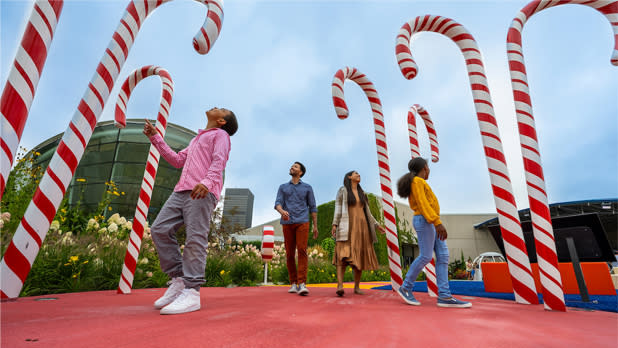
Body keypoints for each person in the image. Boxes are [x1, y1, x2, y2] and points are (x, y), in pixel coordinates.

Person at [143, 107, 238, 315]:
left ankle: (192, 291)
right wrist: (155, 137)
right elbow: (177, 160)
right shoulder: (196, 140)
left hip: (203, 190)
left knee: (195, 238)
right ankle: (179, 279)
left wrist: (207, 181)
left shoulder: (220, 135)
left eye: (221, 109)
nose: (215, 107)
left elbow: (219, 160)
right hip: (181, 191)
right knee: (159, 229)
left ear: (222, 121)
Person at [395, 157, 471, 308]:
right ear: (424, 168)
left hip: (430, 221)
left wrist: (436, 222)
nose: (429, 170)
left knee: (443, 256)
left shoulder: (420, 182)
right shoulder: (417, 181)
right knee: (426, 256)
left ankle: (444, 296)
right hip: (426, 221)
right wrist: (437, 222)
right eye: (428, 167)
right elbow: (423, 204)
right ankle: (405, 287)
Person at [331, 171, 385, 297]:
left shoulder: (362, 193)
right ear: (349, 177)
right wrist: (335, 224)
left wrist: (376, 225)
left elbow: (368, 213)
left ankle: (357, 286)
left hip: (362, 229)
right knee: (342, 256)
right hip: (346, 227)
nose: (359, 175)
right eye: (356, 173)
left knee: (359, 256)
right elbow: (338, 208)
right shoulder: (343, 191)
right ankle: (340, 285)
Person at [274, 162, 318, 296]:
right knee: (289, 254)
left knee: (302, 250)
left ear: (301, 172)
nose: (292, 167)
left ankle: (302, 283)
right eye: (292, 166)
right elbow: (277, 203)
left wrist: (315, 226)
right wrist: (282, 211)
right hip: (287, 223)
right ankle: (293, 283)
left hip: (303, 222)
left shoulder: (307, 187)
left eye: (295, 167)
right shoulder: (283, 187)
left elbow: (313, 207)